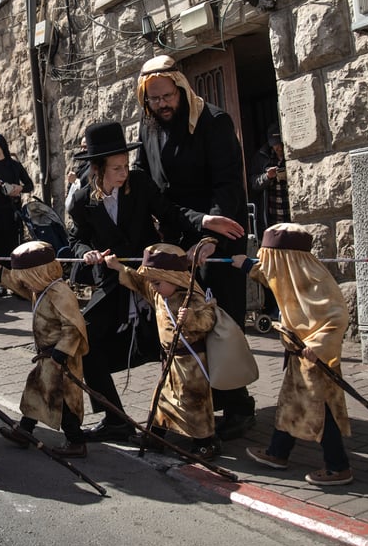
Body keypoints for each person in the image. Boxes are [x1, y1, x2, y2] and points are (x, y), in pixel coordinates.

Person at [134, 55, 253, 439]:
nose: (162, 105)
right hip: (177, 235)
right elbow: (145, 181)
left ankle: (238, 404)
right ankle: (195, 404)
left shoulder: (214, 122)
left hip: (217, 237)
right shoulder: (148, 126)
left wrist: (210, 232)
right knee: (181, 327)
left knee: (219, 322)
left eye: (168, 96)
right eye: (154, 100)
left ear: (182, 90)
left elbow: (229, 185)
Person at [67, 120, 201, 442]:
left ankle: (176, 423)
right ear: (98, 170)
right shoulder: (82, 202)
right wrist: (87, 252)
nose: (123, 172)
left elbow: (169, 214)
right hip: (112, 282)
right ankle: (115, 420)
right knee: (83, 338)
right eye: (116, 168)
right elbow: (75, 240)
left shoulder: (140, 184)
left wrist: (198, 238)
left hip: (149, 280)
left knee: (169, 345)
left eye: (125, 165)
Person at [243, 224, 353, 486]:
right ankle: (277, 453)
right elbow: (268, 273)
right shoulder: (290, 273)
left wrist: (318, 345)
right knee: (290, 404)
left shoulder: (317, 283)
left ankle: (339, 466)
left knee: (321, 412)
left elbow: (338, 317)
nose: (265, 262)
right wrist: (245, 265)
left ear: (285, 258)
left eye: (269, 256)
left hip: (315, 360)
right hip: (298, 357)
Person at [104, 241, 221, 458]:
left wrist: (192, 318)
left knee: (194, 402)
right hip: (171, 360)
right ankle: (154, 436)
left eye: (157, 283)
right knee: (162, 398)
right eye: (153, 283)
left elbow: (208, 320)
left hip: (191, 363)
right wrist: (119, 268)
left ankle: (205, 443)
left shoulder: (192, 298)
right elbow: (140, 282)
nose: (153, 287)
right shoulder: (160, 293)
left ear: (173, 278)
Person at [0, 241, 89, 458]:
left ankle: (76, 441)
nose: (24, 284)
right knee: (35, 390)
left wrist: (61, 353)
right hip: (47, 356)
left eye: (26, 278)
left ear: (37, 274)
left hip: (60, 357)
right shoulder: (41, 287)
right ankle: (25, 431)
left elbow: (73, 326)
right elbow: (17, 283)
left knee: (60, 397)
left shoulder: (59, 293)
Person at [0, 133, 34, 291]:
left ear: (1, 146)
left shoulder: (14, 165)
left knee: (13, 246)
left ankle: (15, 282)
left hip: (11, 211)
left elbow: (29, 184)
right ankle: (1, 283)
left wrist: (19, 188)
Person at [249, 123, 290, 233]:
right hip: (273, 217)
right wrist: (267, 176)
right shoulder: (262, 157)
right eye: (275, 144)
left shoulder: (292, 154)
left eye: (280, 143)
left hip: (292, 213)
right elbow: (253, 183)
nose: (279, 147)